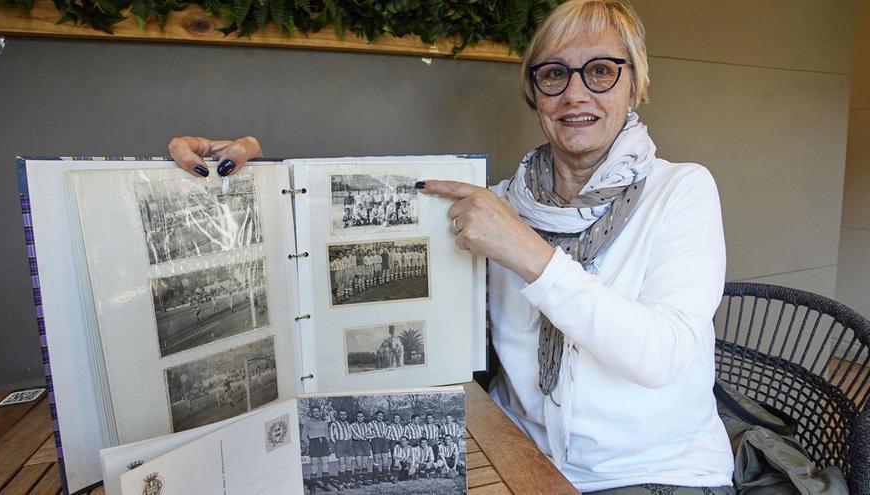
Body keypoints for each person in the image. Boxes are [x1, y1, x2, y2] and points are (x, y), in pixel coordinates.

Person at [167, 2, 733, 492]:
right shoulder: (497, 202)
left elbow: (662, 355)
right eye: (554, 74)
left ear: (635, 83)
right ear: (534, 92)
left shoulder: (682, 189)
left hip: (654, 472)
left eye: (602, 71)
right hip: (519, 450)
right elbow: (339, 237)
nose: (575, 93)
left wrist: (526, 251)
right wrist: (244, 178)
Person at [300, 406, 333, 492]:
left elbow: (327, 435)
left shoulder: (324, 423)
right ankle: (313, 487)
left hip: (323, 444)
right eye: (314, 411)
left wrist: (326, 443)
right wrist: (310, 444)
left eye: (318, 411)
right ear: (311, 413)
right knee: (314, 466)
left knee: (325, 466)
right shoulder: (308, 423)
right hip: (313, 444)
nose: (316, 413)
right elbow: (303, 437)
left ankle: (326, 485)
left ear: (320, 412)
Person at [329, 409, 355, 488]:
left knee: (349, 465)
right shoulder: (334, 424)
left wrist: (348, 440)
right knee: (342, 465)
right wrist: (337, 443)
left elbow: (350, 433)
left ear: (346, 415)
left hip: (348, 443)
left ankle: (348, 482)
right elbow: (331, 435)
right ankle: (340, 483)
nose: (343, 416)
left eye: (344, 414)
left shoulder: (348, 423)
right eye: (341, 415)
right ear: (338, 415)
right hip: (340, 443)